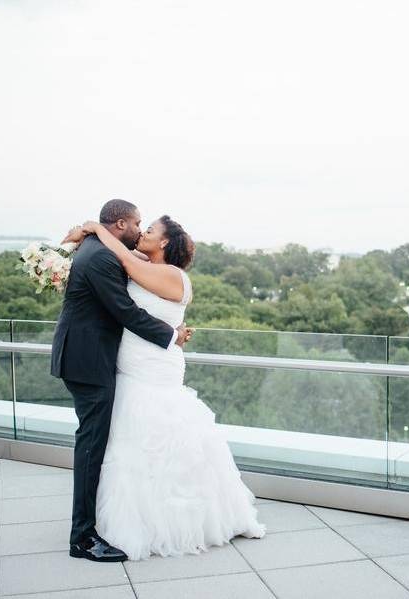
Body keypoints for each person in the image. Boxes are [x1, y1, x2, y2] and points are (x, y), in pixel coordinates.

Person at [60, 212, 266, 562]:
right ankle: (116, 521)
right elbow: (117, 257)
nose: (142, 232)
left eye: (150, 229)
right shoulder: (143, 261)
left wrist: (95, 228)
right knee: (128, 446)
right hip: (128, 368)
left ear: (165, 242)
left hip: (154, 369)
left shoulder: (172, 276)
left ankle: (171, 520)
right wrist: (79, 237)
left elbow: (122, 257)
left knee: (164, 442)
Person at [52, 199, 193, 562]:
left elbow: (137, 271)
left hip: (95, 360)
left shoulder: (100, 248)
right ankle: (82, 538)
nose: (140, 230)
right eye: (137, 224)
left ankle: (97, 524)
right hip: (88, 362)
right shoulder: (100, 256)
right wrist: (171, 335)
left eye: (147, 227)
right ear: (119, 225)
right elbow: (125, 311)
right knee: (91, 446)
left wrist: (84, 232)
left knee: (101, 443)